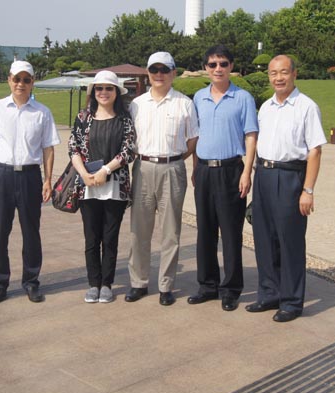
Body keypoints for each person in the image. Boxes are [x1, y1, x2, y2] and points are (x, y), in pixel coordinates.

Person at [246, 55, 326, 323]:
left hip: (291, 176)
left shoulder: (306, 107)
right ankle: (269, 293)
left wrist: (308, 190)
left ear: (294, 74)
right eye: (273, 73)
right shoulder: (265, 107)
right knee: (264, 238)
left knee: (289, 241)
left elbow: (315, 151)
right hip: (264, 175)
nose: (278, 78)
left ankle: (291, 301)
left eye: (283, 72)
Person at [0, 60, 60, 304]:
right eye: (16, 79)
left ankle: (31, 281)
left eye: (26, 79)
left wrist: (48, 180)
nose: (20, 84)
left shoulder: (42, 112)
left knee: (31, 232)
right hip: (2, 175)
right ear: (9, 80)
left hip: (30, 176)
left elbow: (48, 149)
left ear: (32, 82)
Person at [125, 52, 199, 306]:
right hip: (143, 167)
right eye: (154, 69)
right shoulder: (137, 104)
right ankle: (139, 282)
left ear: (173, 73)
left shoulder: (184, 103)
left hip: (172, 168)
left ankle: (166, 285)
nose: (159, 74)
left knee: (170, 232)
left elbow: (193, 139)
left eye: (164, 70)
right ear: (148, 73)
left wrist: (176, 159)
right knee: (139, 230)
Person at [188, 44, 258, 312]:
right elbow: (195, 136)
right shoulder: (198, 98)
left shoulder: (243, 98)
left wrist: (247, 171)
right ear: (205, 68)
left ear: (231, 67)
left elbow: (251, 135)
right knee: (205, 230)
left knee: (230, 232)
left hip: (231, 171)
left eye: (223, 64)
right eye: (212, 64)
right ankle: (207, 285)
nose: (218, 69)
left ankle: (231, 289)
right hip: (204, 170)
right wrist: (195, 167)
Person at [69, 70, 136, 304]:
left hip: (115, 187)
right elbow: (74, 148)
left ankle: (106, 283)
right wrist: (84, 174)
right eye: (99, 88)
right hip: (88, 186)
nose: (104, 92)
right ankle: (93, 283)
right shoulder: (83, 117)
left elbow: (128, 150)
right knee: (91, 239)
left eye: (109, 88)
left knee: (110, 238)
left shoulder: (124, 118)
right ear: (93, 91)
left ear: (116, 92)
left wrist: (105, 170)